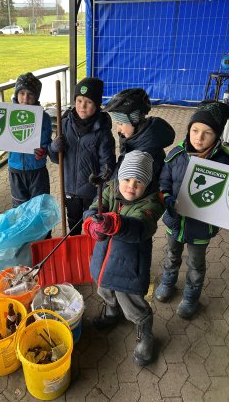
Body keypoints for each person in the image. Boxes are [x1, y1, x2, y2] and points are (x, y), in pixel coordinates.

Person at [154, 101, 229, 319]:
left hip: (201, 228)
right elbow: (164, 179)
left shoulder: (226, 162)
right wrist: (167, 197)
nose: (199, 137)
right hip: (174, 222)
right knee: (171, 255)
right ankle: (167, 282)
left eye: (207, 133)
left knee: (196, 263)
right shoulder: (176, 154)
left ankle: (191, 296)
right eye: (195, 130)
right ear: (189, 129)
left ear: (217, 136)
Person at [82, 150, 164, 366]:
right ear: (119, 178)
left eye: (139, 182)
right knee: (103, 288)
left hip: (129, 267)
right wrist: (91, 223)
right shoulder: (109, 189)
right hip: (103, 260)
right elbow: (92, 208)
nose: (131, 186)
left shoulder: (151, 204)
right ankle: (111, 311)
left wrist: (115, 223)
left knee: (132, 303)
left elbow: (140, 227)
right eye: (127, 179)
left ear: (147, 185)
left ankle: (145, 334)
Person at [46, 77, 116, 235]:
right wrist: (54, 148)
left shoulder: (102, 131)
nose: (82, 106)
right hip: (70, 189)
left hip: (93, 192)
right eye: (79, 100)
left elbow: (107, 163)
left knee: (94, 228)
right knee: (73, 223)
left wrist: (102, 182)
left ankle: (93, 253)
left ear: (97, 105)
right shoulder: (64, 124)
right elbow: (57, 159)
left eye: (88, 102)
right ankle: (74, 247)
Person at [0, 72, 53, 208]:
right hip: (15, 170)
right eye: (22, 93)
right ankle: (22, 230)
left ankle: (42, 230)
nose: (25, 98)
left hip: (36, 171)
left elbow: (46, 143)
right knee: (19, 207)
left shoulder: (43, 118)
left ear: (37, 97)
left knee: (39, 207)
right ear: (16, 94)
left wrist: (43, 151)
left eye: (30, 94)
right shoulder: (8, 115)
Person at [101, 88, 176, 191]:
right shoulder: (135, 139)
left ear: (134, 120)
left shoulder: (146, 152)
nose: (118, 129)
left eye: (120, 123)